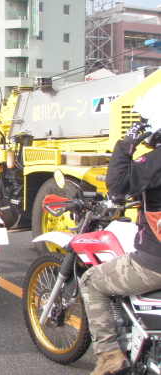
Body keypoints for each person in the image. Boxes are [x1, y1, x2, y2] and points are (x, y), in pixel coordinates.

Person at [80, 86, 161, 375]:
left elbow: (117, 182)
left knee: (91, 281)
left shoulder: (156, 160)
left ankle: (110, 356)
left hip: (155, 263)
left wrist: (127, 142)